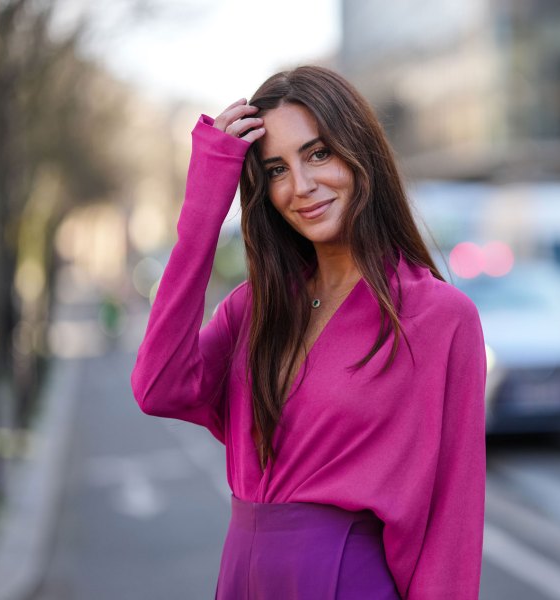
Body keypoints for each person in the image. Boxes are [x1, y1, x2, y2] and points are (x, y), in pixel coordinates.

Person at [130, 65, 486, 600]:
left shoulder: (438, 316)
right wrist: (205, 203)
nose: (300, 186)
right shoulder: (257, 307)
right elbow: (158, 387)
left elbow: (451, 519)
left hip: (346, 582)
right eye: (276, 169)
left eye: (318, 154)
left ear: (360, 153)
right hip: (243, 578)